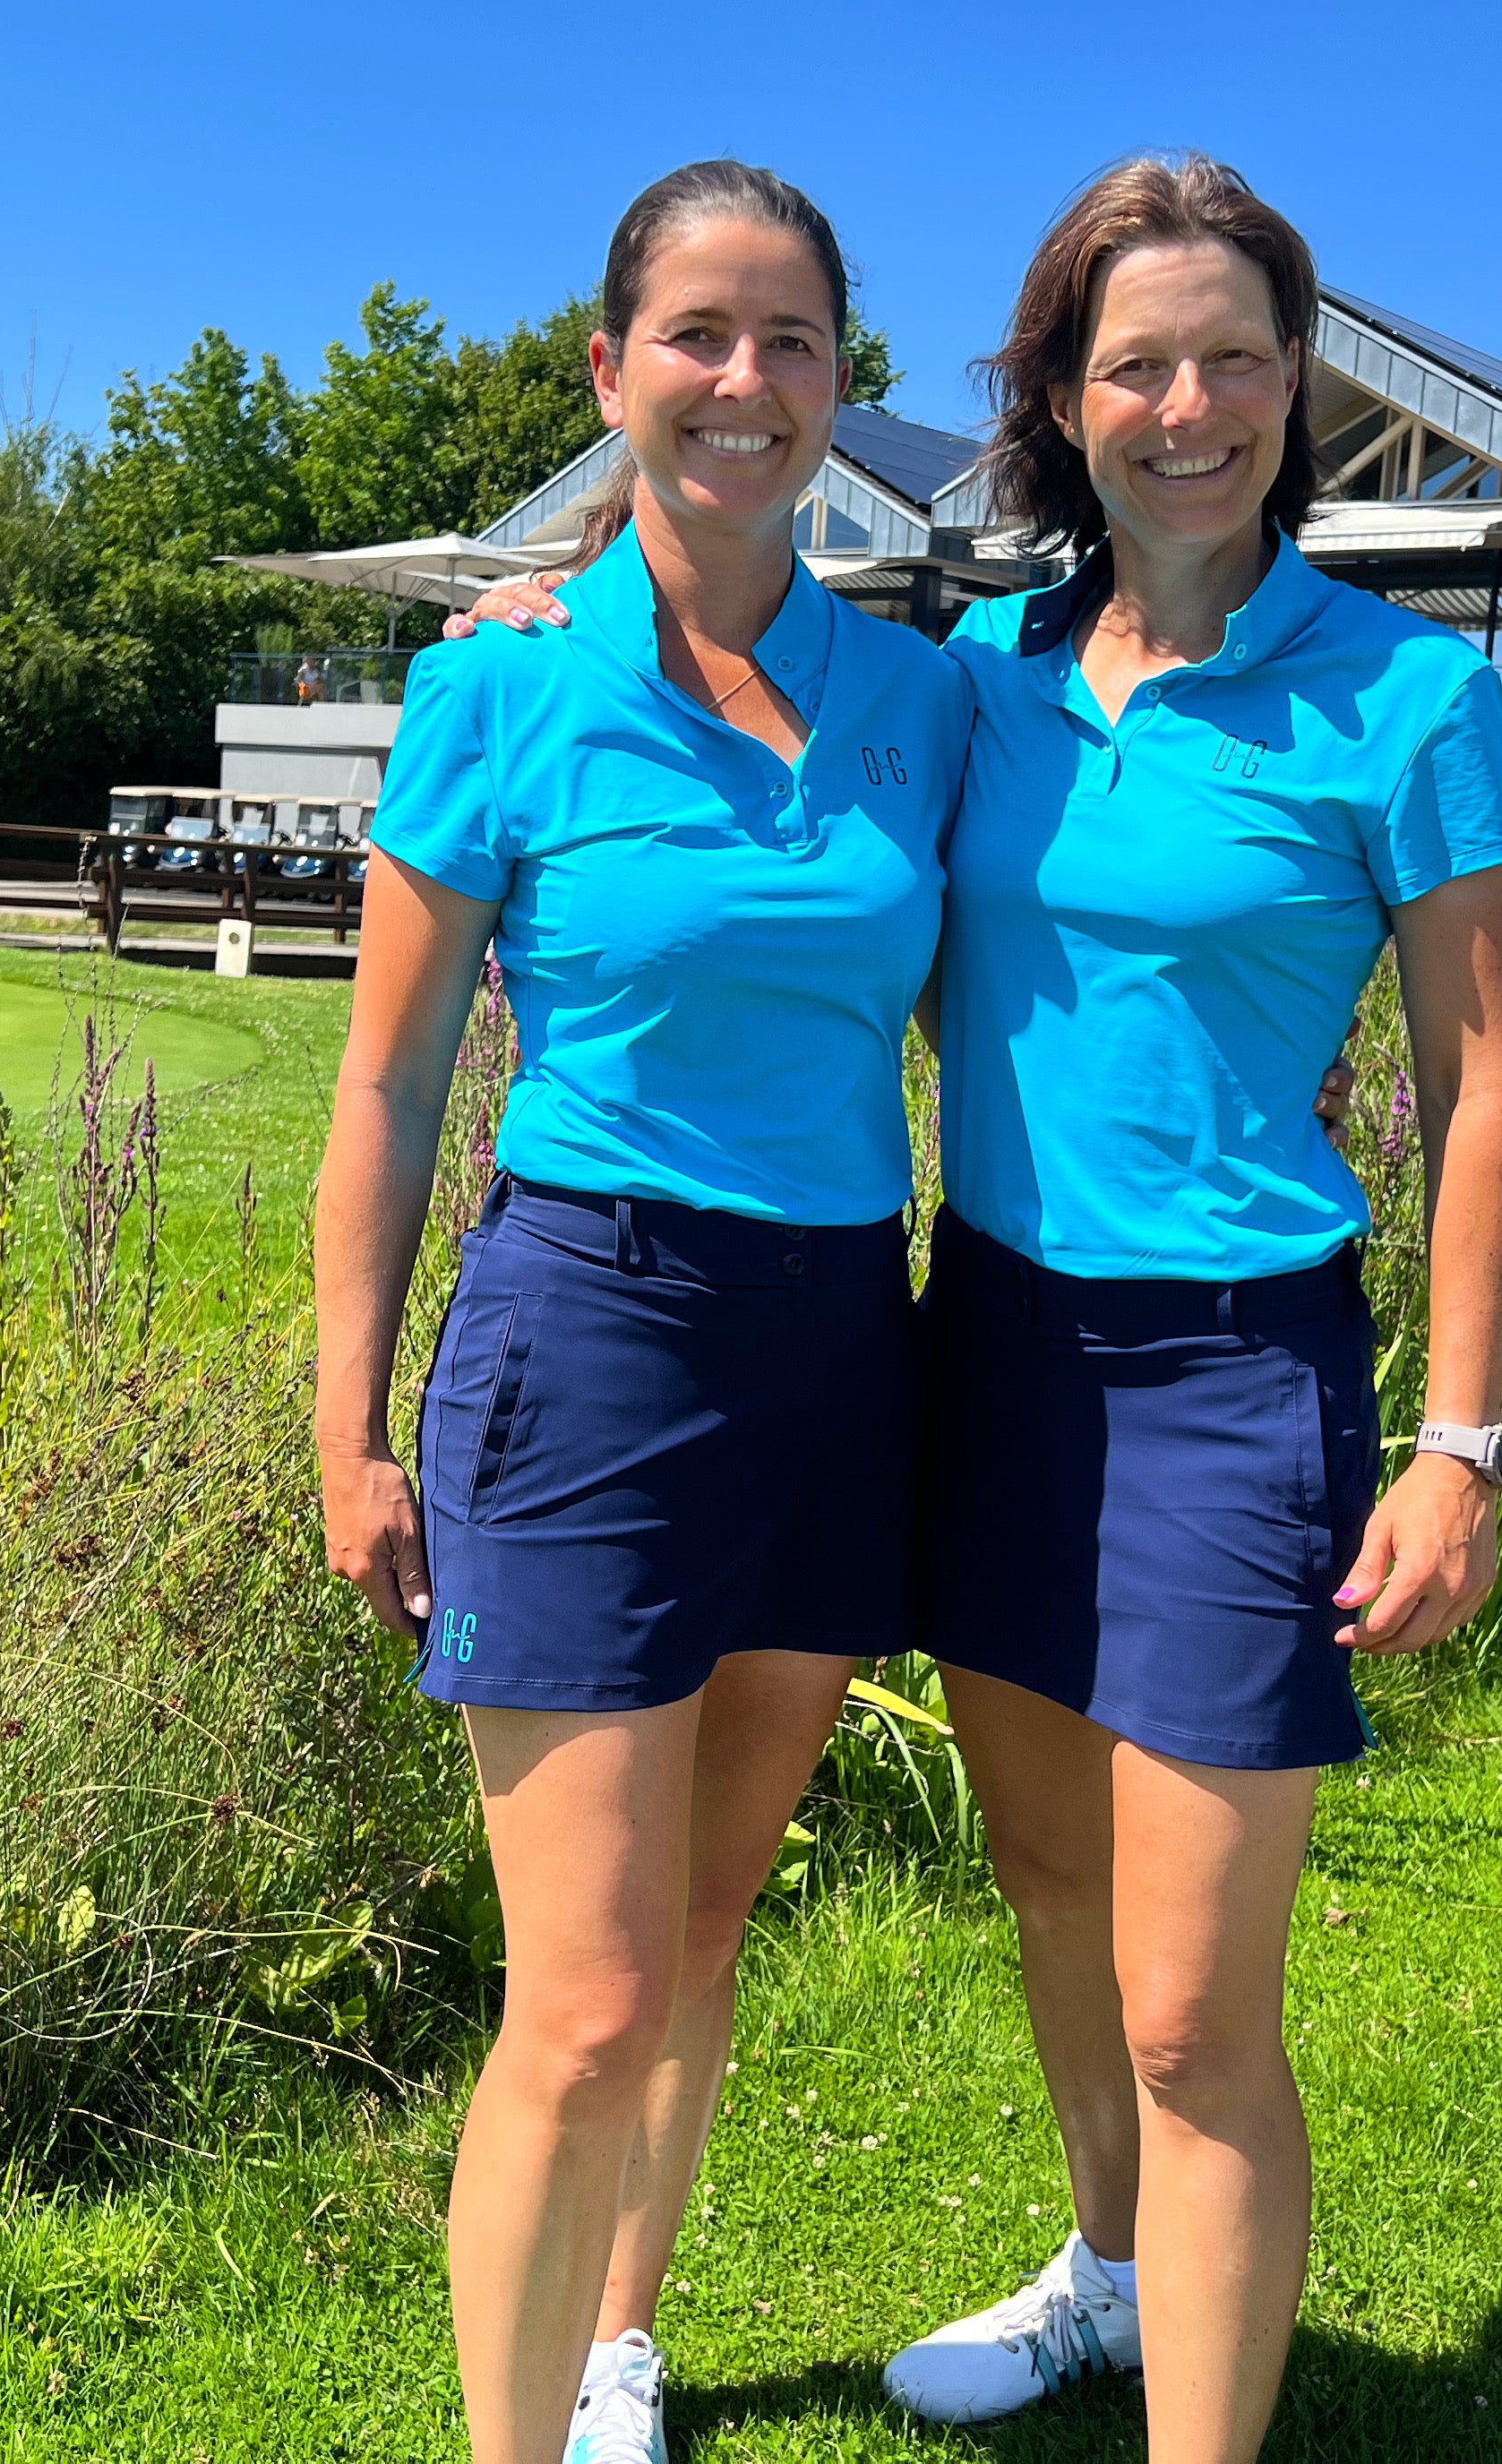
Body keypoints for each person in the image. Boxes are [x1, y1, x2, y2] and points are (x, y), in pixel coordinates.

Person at [453, 153, 1502, 2458]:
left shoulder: (1405, 697)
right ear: (1061, 395)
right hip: (997, 1353)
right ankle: (1117, 2277)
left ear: (1294, 385)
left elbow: (1485, 1087)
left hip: (1243, 1368)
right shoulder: (978, 687)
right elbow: (739, 667)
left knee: (1188, 2013)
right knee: (1050, 1886)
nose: (1191, 405)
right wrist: (543, 614)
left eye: (1237, 358)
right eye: (1137, 362)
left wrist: (1459, 1443)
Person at [313, 159, 969, 2464]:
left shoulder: (924, 698)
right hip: (588, 1333)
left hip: (834, 1345)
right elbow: (388, 1086)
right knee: (580, 2003)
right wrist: (348, 1425)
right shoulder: (498, 687)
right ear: (612, 378)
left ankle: (618, 2354)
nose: (744, 381)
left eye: (793, 340)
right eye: (697, 333)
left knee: (694, 1946)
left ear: (836, 393)